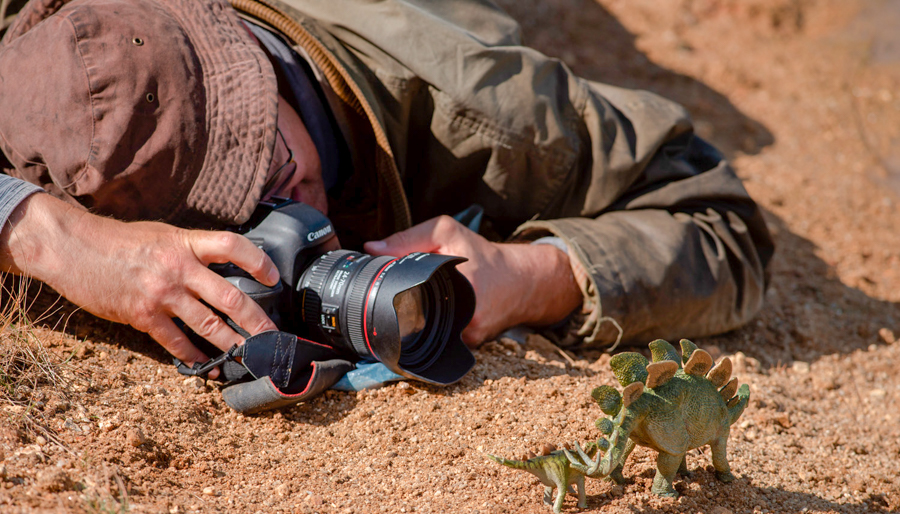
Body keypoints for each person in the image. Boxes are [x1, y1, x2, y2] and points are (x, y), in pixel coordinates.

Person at [0, 0, 773, 378]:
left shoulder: (489, 116)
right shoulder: (32, 52)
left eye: (256, 159)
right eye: (225, 229)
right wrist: (46, 233)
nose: (281, 221)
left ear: (246, 63)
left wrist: (538, 276)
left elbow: (724, 221)